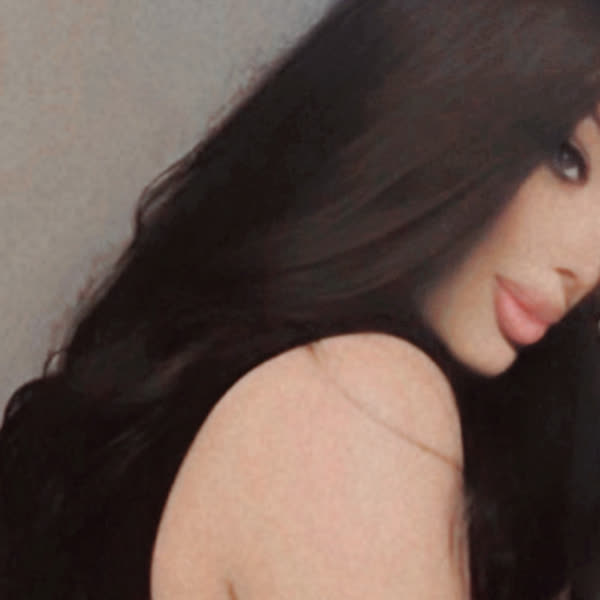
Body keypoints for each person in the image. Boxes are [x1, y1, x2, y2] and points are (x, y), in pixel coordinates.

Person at [2, 0, 600, 598]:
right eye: (568, 159)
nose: (587, 267)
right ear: (443, 96)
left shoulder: (237, 379)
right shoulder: (353, 403)